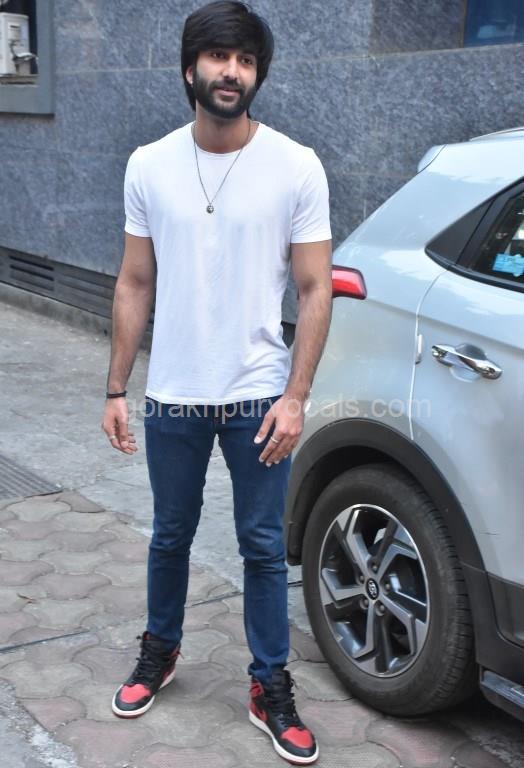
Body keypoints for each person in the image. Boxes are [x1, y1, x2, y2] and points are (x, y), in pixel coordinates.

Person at [101, 1, 332, 763]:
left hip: (260, 395)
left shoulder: (296, 165)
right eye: (219, 56)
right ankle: (159, 651)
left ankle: (270, 685)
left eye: (246, 59)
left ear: (257, 74)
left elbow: (315, 289)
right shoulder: (148, 163)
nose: (232, 71)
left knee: (262, 546)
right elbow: (135, 280)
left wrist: (296, 396)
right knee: (169, 535)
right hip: (173, 394)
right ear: (189, 68)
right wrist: (115, 388)